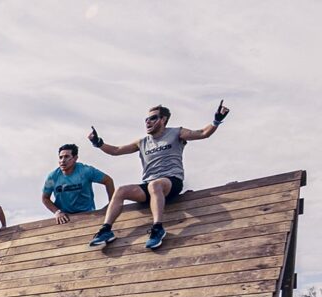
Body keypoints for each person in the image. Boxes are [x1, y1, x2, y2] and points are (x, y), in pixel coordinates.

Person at [88, 100, 230, 250]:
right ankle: (105, 231)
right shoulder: (142, 142)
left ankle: (157, 228)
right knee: (121, 190)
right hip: (149, 186)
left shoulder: (176, 132)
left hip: (171, 181)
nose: (148, 121)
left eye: (153, 118)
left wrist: (217, 120)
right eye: (146, 119)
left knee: (155, 185)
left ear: (163, 120)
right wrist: (97, 142)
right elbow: (116, 150)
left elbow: (202, 133)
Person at [41, 144, 115, 224]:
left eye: (66, 157)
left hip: (88, 215)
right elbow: (45, 198)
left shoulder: (86, 171)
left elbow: (108, 180)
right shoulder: (52, 177)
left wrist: (111, 204)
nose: (63, 160)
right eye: (60, 157)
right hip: (65, 218)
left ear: (75, 158)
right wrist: (57, 212)